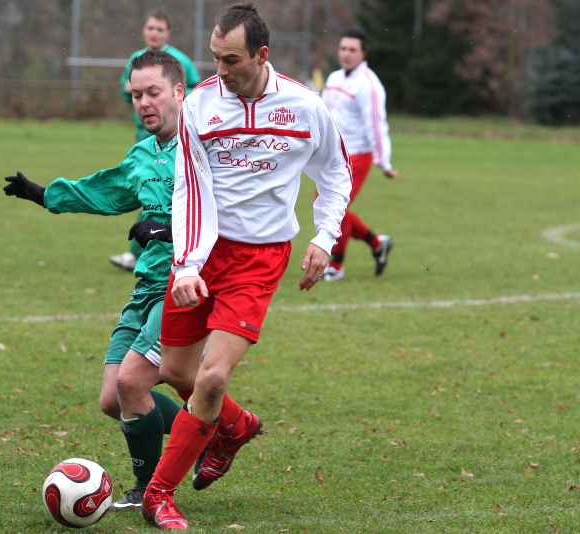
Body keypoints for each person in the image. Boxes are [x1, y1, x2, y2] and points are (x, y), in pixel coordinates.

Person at [138, 4, 352, 530]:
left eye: (231, 60)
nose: (221, 70)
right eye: (215, 58)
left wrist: (324, 238)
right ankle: (235, 428)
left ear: (261, 55)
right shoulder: (199, 105)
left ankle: (159, 495)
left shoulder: (305, 106)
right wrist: (188, 265)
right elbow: (189, 187)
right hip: (204, 254)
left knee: (212, 377)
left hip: (260, 258)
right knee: (177, 373)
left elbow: (336, 173)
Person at [3, 51, 186, 511]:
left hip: (184, 284)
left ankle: (149, 489)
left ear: (179, 91)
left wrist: (169, 230)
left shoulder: (203, 149)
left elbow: (228, 213)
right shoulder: (144, 154)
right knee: (111, 399)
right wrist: (46, 195)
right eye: (136, 95)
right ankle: (205, 431)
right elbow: (106, 189)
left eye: (153, 92)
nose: (143, 103)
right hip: (146, 285)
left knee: (131, 385)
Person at [110, 9, 202, 273]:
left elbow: (195, 89)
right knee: (150, 192)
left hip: (172, 133)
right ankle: (158, 250)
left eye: (159, 29)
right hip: (144, 134)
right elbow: (126, 91)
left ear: (168, 33)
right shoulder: (136, 59)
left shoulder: (179, 60)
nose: (154, 33)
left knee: (157, 194)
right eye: (150, 28)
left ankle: (142, 252)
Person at [320, 27, 398, 281]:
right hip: (332, 155)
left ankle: (335, 266)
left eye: (352, 49)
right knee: (327, 208)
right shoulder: (334, 78)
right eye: (343, 48)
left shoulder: (369, 85)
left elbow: (376, 124)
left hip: (356, 156)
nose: (346, 53)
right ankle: (377, 244)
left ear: (363, 54)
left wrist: (384, 162)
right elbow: (323, 116)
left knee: (335, 208)